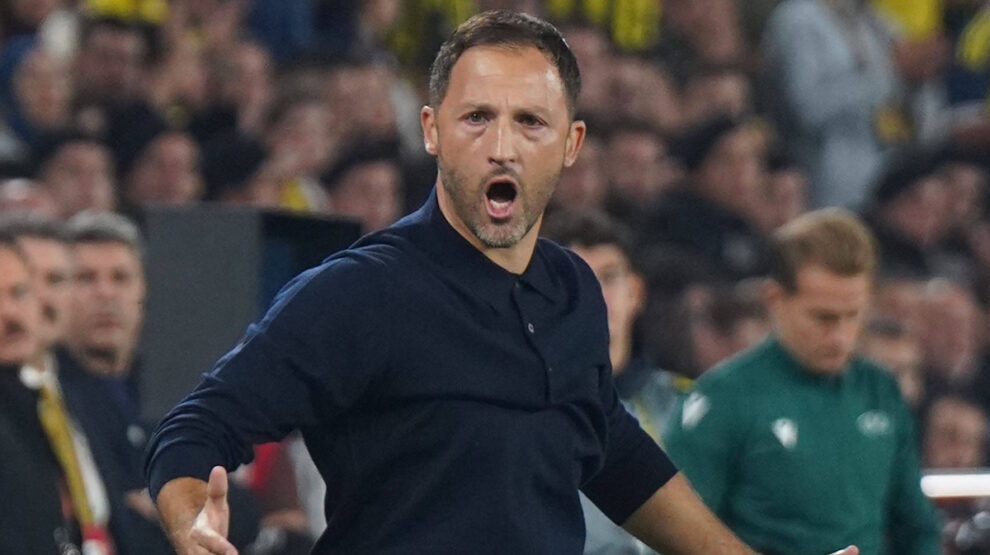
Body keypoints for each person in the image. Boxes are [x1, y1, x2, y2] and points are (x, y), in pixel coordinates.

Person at [145, 11, 859, 555]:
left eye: (530, 122)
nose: (502, 147)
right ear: (432, 131)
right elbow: (198, 425)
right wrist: (191, 521)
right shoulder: (361, 291)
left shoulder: (574, 290)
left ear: (572, 144)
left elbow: (614, 454)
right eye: (477, 118)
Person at [664, 208, 940, 554]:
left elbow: (917, 528)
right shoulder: (720, 402)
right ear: (774, 299)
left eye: (853, 315)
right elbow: (675, 541)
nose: (840, 336)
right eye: (824, 318)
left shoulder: (880, 390)